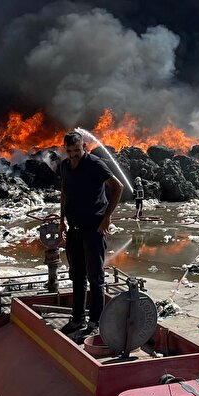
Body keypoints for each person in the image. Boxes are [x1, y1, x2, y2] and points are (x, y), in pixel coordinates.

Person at [58, 130, 123, 334]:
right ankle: (77, 319)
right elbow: (64, 193)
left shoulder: (94, 164)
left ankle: (96, 322)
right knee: (77, 275)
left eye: (77, 150)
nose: (73, 155)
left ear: (84, 147)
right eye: (69, 151)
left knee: (95, 276)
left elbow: (118, 187)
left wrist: (107, 217)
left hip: (93, 227)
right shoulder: (65, 166)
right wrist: (61, 221)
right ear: (65, 150)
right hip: (74, 228)